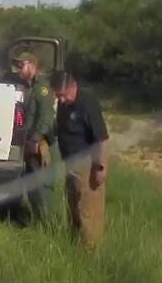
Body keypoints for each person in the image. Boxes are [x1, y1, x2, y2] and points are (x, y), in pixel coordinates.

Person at [50, 71, 110, 249]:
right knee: (73, 208)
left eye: (63, 95)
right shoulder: (63, 104)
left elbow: (102, 139)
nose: (61, 100)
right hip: (70, 164)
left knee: (88, 211)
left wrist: (100, 167)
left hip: (87, 165)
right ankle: (75, 245)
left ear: (73, 86)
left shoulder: (87, 103)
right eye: (58, 96)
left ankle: (90, 251)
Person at [13, 52, 56, 221]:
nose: (18, 70)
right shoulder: (29, 87)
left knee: (41, 186)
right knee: (32, 186)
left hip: (38, 144)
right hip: (29, 142)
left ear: (31, 64)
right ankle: (37, 220)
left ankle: (47, 223)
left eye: (20, 66)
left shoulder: (42, 88)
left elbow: (45, 117)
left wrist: (36, 138)